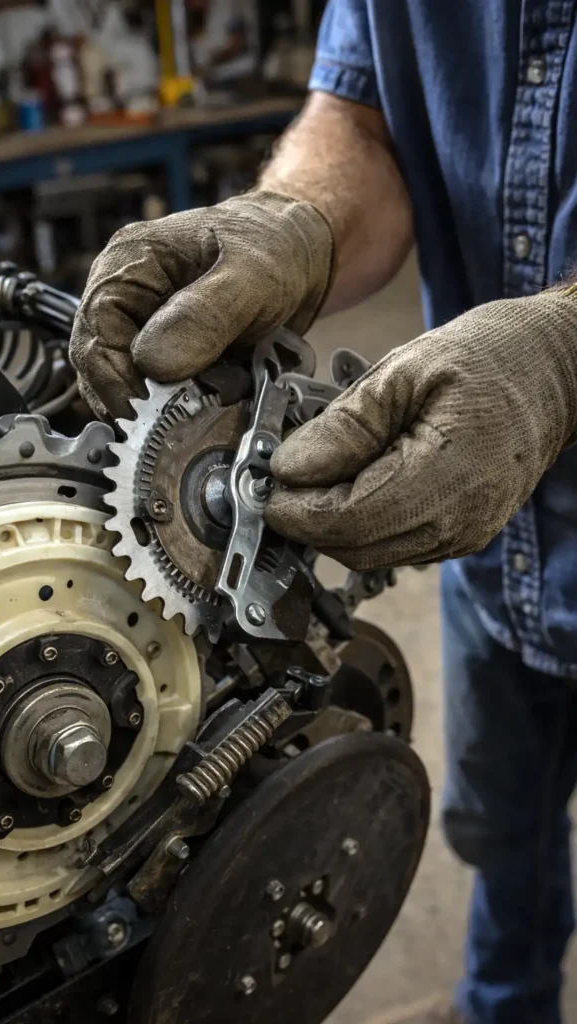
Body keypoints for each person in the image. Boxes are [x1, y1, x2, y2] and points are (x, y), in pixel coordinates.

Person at [70, 3, 577, 1022]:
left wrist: (567, 351)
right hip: (493, 547)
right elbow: (361, 121)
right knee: (500, 835)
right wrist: (296, 216)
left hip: (511, 431)